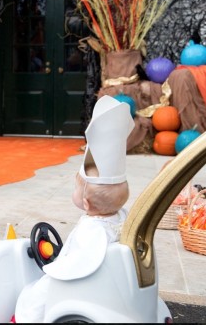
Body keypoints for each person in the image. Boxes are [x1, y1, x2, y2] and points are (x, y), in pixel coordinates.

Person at [14, 95, 133, 322]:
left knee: (38, 293)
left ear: (86, 203)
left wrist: (56, 267)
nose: (74, 192)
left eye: (75, 189)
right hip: (107, 282)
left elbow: (78, 263)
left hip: (81, 283)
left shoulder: (94, 230)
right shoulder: (120, 217)